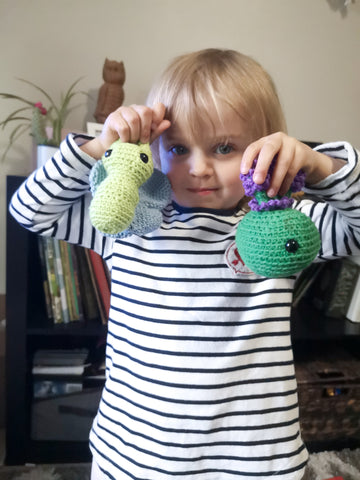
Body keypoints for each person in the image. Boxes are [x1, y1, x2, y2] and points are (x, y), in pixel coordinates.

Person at [9, 48, 360, 480]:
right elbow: (29, 210)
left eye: (224, 147)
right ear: (155, 147)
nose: (198, 168)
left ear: (267, 146)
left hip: (256, 459)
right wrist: (99, 146)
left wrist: (323, 165)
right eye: (177, 148)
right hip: (136, 455)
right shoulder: (131, 220)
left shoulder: (284, 226)